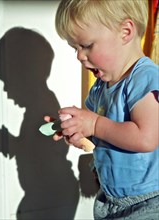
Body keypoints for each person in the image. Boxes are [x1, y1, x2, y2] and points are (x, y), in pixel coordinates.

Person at [46, 0, 159, 219]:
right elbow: (108, 135)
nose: (79, 55)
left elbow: (146, 138)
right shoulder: (100, 88)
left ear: (125, 32)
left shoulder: (145, 78)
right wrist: (80, 132)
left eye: (86, 46)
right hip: (110, 199)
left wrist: (94, 124)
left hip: (149, 201)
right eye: (75, 48)